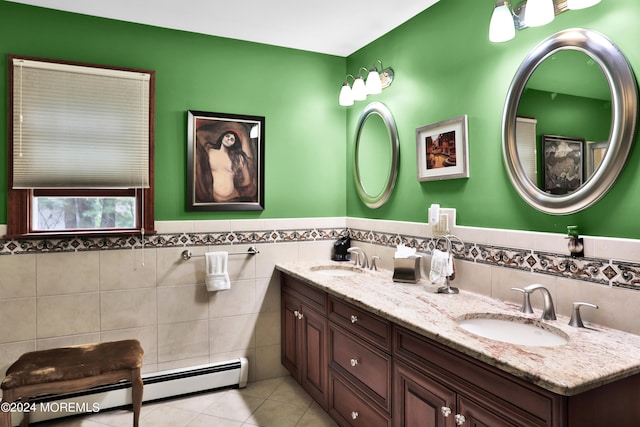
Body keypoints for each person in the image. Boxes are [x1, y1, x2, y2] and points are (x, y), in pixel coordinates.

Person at [195, 125, 257, 203]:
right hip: (213, 198)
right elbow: (200, 134)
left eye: (232, 139)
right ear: (222, 137)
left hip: (232, 197)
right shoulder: (210, 152)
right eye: (227, 136)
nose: (228, 139)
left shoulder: (238, 158)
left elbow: (246, 181)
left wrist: (236, 179)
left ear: (234, 143)